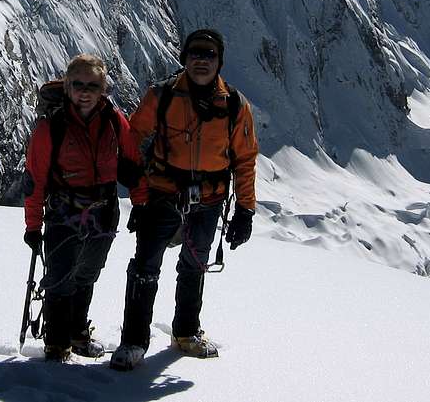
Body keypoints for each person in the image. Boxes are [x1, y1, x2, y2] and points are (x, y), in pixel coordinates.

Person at [110, 29, 258, 371]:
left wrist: (245, 210)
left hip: (209, 200)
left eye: (209, 54)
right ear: (184, 58)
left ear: (219, 61)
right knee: (145, 266)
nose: (202, 60)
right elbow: (134, 133)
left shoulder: (235, 106)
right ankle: (133, 341)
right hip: (163, 194)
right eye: (195, 54)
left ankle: (185, 332)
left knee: (194, 266)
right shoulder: (162, 96)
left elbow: (245, 159)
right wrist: (131, 170)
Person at [24, 54, 144, 362]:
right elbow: (35, 181)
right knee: (61, 276)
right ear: (66, 87)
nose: (85, 91)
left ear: (104, 88)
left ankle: (75, 332)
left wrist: (141, 204)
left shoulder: (115, 121)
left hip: (103, 213)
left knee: (87, 273)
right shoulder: (51, 128)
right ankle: (56, 342)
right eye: (78, 84)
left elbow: (133, 163)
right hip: (63, 213)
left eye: (93, 85)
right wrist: (33, 226)